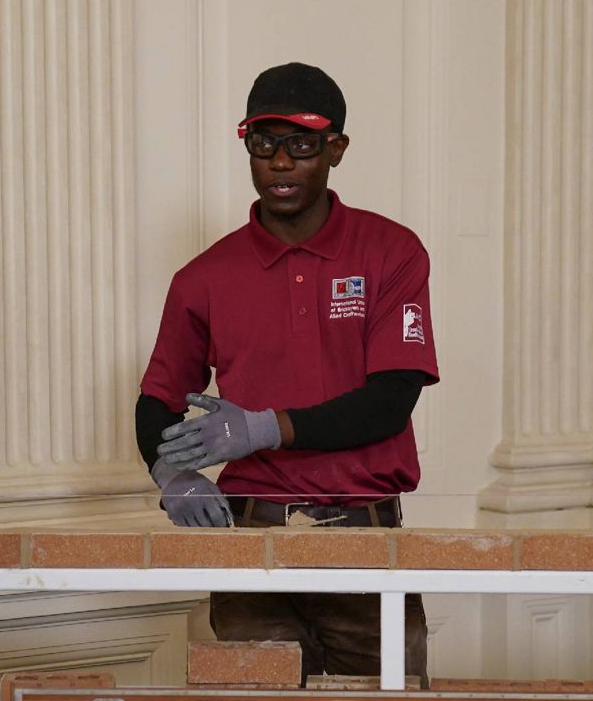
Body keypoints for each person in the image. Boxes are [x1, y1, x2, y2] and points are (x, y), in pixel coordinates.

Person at [136, 62, 437, 682]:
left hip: (364, 533)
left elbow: (390, 399)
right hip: (250, 539)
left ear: (336, 149)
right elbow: (157, 399)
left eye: (302, 145)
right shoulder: (204, 276)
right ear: (245, 144)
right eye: (263, 143)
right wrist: (172, 473)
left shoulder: (391, 252)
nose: (280, 163)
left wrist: (266, 428)